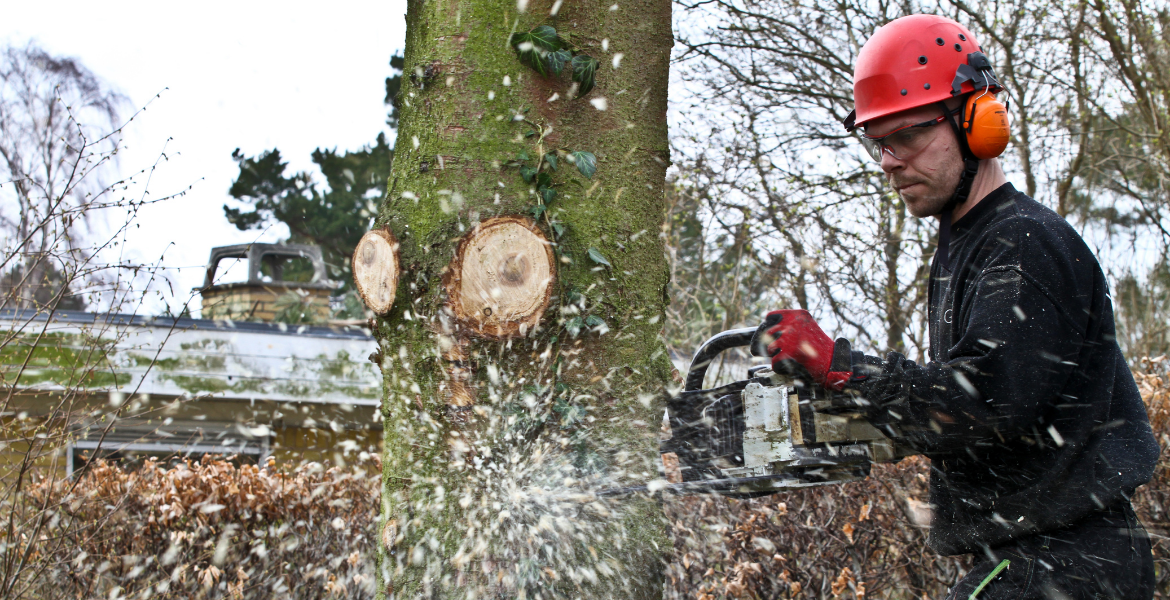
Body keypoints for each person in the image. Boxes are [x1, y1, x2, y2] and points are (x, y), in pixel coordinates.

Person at [751, 14, 1160, 600]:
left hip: (1064, 565)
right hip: (1035, 562)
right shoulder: (967, 244)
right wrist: (824, 418)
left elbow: (981, 402)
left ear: (976, 122)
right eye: (879, 142)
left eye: (908, 135)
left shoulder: (1022, 245)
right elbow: (966, 414)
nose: (890, 160)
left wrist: (840, 366)